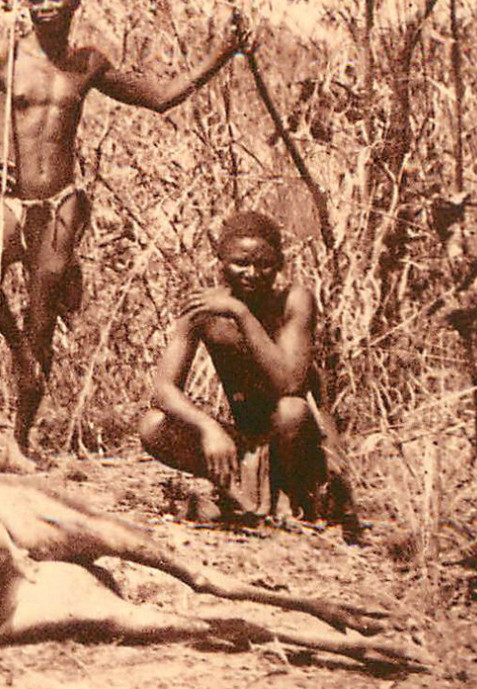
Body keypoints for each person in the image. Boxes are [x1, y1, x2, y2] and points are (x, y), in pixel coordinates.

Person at [0, 0, 241, 469]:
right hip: (10, 201)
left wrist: (220, 55)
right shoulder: (2, 57)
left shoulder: (87, 64)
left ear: (75, 2)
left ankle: (19, 442)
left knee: (43, 321)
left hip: (60, 206)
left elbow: (159, 97)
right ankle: (17, 346)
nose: (42, 6)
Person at [137, 210, 356, 532]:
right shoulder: (204, 308)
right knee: (153, 425)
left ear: (280, 263)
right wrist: (209, 428)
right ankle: (255, 497)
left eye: (264, 264)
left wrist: (241, 313)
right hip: (248, 443)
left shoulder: (295, 301)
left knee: (291, 411)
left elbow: (290, 383)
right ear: (220, 259)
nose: (252, 273)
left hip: (301, 448)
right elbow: (163, 390)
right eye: (241, 263)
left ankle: (288, 498)